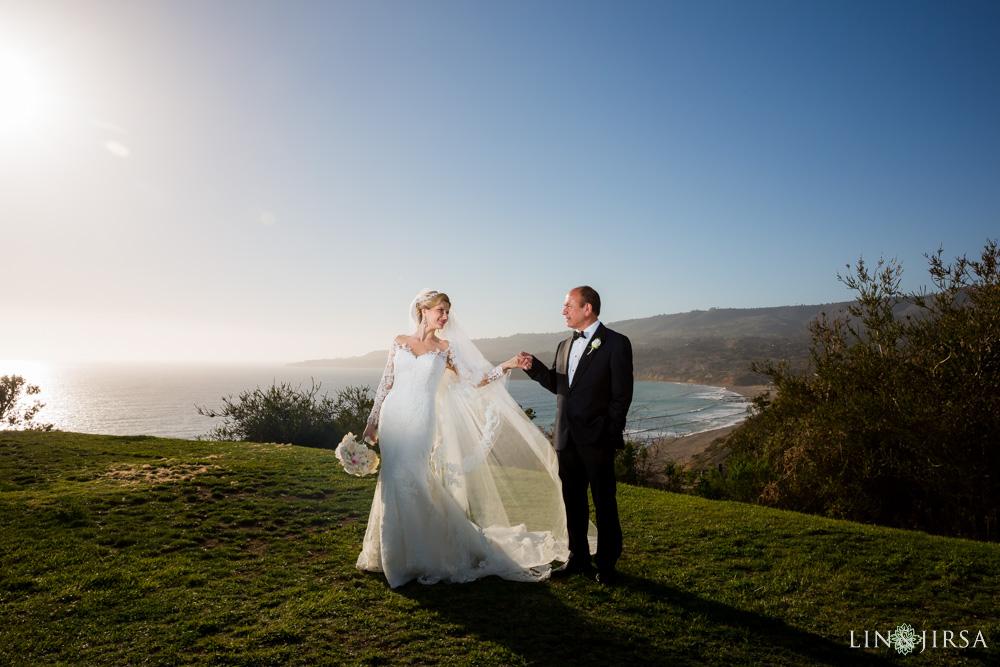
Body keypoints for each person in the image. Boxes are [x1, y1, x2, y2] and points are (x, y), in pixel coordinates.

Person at [357, 289, 571, 588]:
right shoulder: (399, 342)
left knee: (413, 477)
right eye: (440, 311)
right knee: (392, 477)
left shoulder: (445, 348)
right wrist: (372, 421)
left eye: (447, 311)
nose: (445, 317)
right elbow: (386, 382)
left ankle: (422, 553)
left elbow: (473, 380)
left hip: (421, 418)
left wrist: (506, 366)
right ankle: (391, 553)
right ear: (423, 310)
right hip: (394, 416)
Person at [521, 286, 633, 585]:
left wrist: (610, 432)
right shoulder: (563, 345)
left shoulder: (616, 343)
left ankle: (607, 564)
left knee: (604, 502)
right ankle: (578, 558)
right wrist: (534, 368)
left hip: (598, 439)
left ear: (588, 309)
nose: (563, 311)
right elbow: (561, 386)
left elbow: (622, 395)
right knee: (573, 501)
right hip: (566, 438)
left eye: (569, 305)